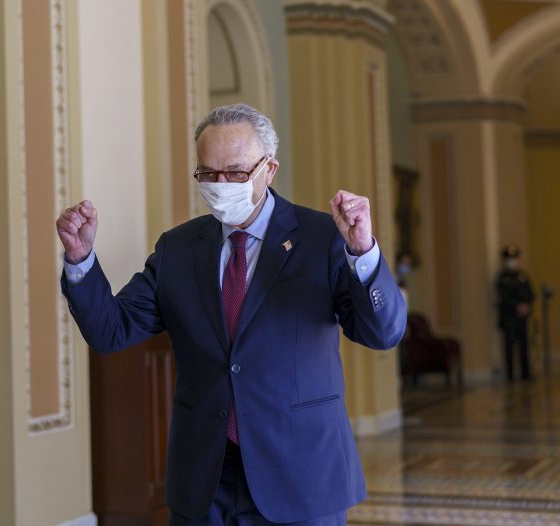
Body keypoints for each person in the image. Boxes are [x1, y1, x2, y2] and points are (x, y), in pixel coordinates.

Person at [56, 103, 407, 525]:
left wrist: (363, 252)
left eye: (237, 173)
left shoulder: (324, 238)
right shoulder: (177, 248)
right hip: (205, 478)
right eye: (209, 173)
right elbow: (111, 331)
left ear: (269, 169)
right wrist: (80, 260)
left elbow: (382, 333)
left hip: (300, 472)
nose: (222, 185)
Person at [496, 245, 535, 381]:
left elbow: (530, 294)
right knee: (509, 345)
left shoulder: (522, 276)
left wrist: (526, 306)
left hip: (522, 316)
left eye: (514, 259)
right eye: (509, 259)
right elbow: (504, 296)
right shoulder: (503, 278)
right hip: (509, 316)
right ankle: (510, 374)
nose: (512, 262)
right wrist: (517, 306)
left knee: (524, 344)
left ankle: (525, 372)